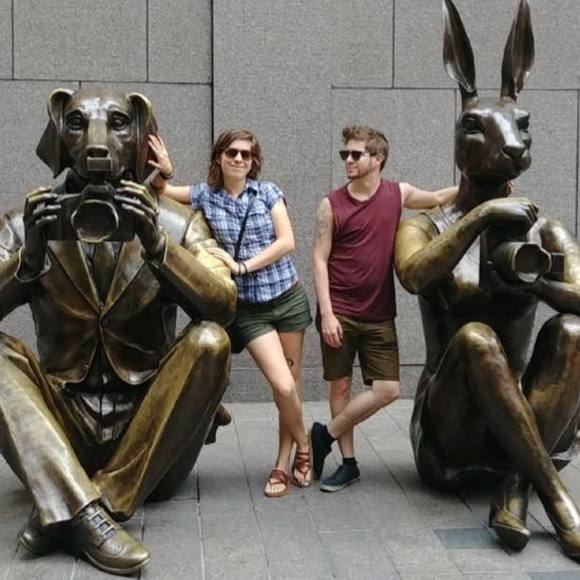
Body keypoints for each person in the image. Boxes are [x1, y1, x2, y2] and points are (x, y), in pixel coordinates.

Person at [0, 87, 236, 576]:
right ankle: (87, 514)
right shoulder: (29, 225)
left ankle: (78, 504)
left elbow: (223, 304)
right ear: (59, 137)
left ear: (141, 136)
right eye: (77, 124)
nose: (97, 140)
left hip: (152, 440)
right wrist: (27, 261)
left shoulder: (176, 224)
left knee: (212, 340)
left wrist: (159, 246)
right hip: (60, 431)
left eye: (118, 123)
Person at [149, 129, 313, 498]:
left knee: (292, 385)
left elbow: (287, 241)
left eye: (246, 154)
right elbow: (159, 193)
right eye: (232, 153)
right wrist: (166, 169)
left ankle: (283, 462)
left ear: (254, 161)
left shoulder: (267, 192)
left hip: (288, 298)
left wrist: (242, 266)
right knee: (283, 385)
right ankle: (305, 446)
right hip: (250, 310)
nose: (239, 159)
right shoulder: (205, 195)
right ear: (219, 158)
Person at [310, 125, 458, 492]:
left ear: (378, 158)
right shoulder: (331, 204)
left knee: (388, 388)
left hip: (378, 312)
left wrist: (486, 188)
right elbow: (319, 259)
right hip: (339, 310)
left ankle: (325, 434)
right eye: (344, 154)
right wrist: (327, 314)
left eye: (355, 154)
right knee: (341, 386)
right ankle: (348, 464)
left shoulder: (397, 194)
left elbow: (439, 197)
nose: (348, 160)